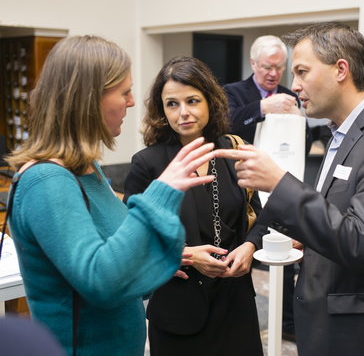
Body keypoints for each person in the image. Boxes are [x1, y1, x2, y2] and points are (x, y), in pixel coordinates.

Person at [216, 22, 364, 356]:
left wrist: (278, 182)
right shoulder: (344, 132)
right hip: (332, 321)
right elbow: (338, 211)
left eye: (301, 72)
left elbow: (359, 242)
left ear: (341, 69)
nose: (294, 86)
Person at [5, 36, 216, 356]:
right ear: (88, 99)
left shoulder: (86, 169)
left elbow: (119, 253)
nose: (132, 102)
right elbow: (101, 280)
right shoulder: (47, 181)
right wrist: (162, 191)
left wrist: (174, 256)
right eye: (124, 92)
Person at [123, 56, 264, 356]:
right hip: (179, 310)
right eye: (172, 104)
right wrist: (185, 255)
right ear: (161, 110)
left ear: (209, 102)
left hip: (235, 303)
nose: (183, 113)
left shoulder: (233, 149)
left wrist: (249, 248)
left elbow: (259, 216)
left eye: (192, 100)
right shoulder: (148, 164)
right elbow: (130, 238)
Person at [224, 34, 311, 341]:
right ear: (253, 64)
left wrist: (299, 121)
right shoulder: (234, 92)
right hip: (243, 184)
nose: (274, 73)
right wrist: (262, 106)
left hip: (282, 182)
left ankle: (288, 323)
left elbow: (304, 143)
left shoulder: (291, 94)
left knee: (288, 253)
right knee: (241, 249)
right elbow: (225, 124)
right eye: (267, 67)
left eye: (279, 67)